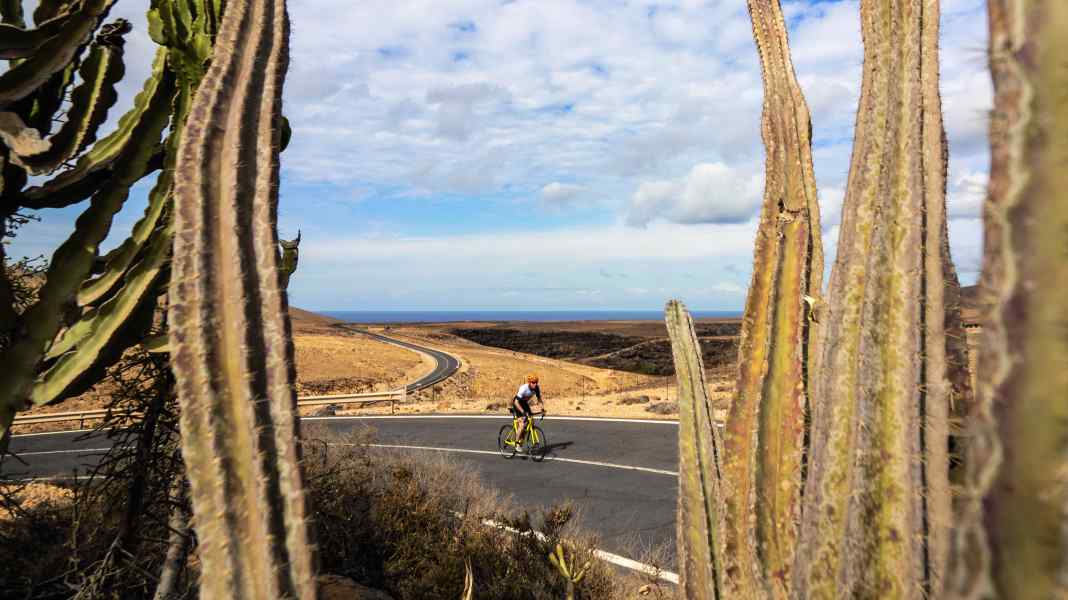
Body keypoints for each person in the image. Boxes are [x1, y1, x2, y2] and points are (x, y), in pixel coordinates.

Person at [510, 374, 542, 450]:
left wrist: (542, 409)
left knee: (531, 421)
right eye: (533, 382)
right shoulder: (523, 388)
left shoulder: (536, 388)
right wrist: (523, 412)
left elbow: (539, 399)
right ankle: (517, 444)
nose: (535, 384)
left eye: (536, 382)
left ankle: (522, 438)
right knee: (522, 424)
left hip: (524, 403)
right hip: (517, 404)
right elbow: (516, 402)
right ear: (529, 382)